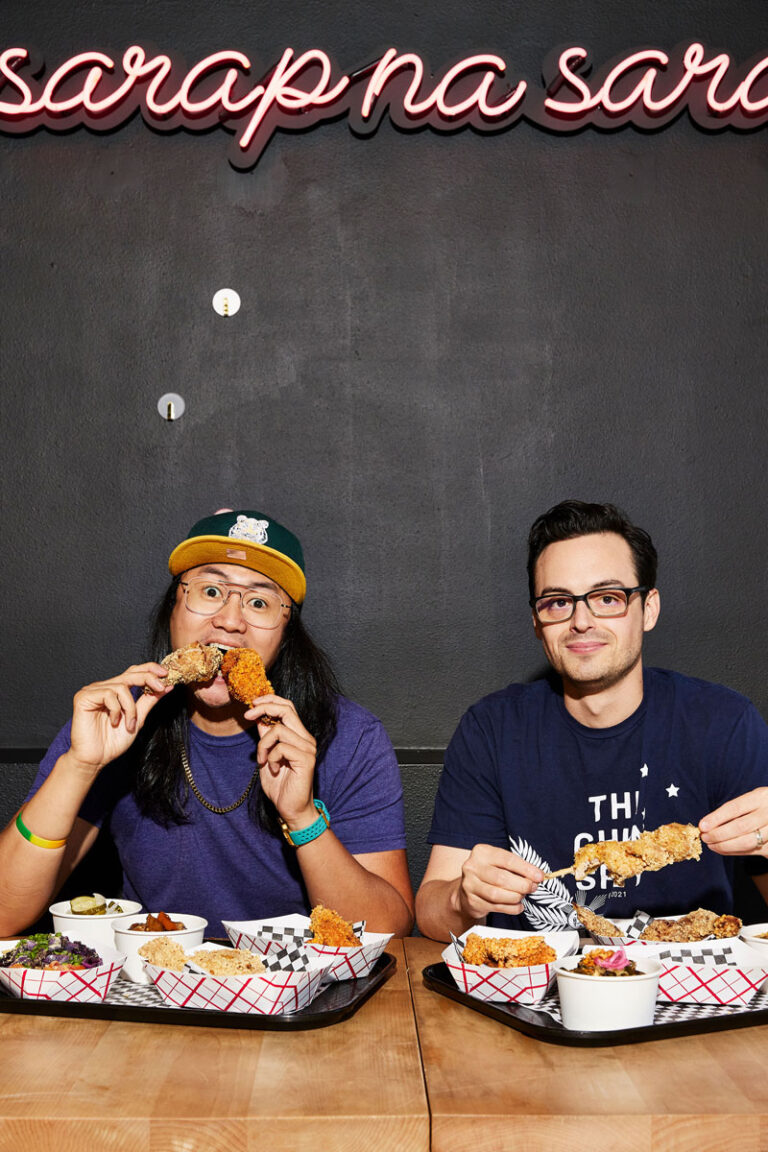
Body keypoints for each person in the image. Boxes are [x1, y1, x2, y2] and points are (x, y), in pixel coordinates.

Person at [0, 509, 414, 937]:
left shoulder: (350, 736)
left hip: (292, 989)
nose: (231, 621)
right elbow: (4, 915)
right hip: (152, 981)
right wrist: (79, 765)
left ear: (286, 633)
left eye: (259, 601)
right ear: (173, 609)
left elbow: (387, 933)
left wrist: (303, 817)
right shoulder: (115, 718)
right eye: (210, 590)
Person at [416, 499, 768, 942]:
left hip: (692, 990)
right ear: (537, 622)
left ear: (649, 608)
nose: (581, 621)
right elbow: (430, 916)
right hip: (536, 994)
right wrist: (460, 901)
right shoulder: (492, 729)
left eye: (607, 598)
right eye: (558, 602)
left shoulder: (723, 723)